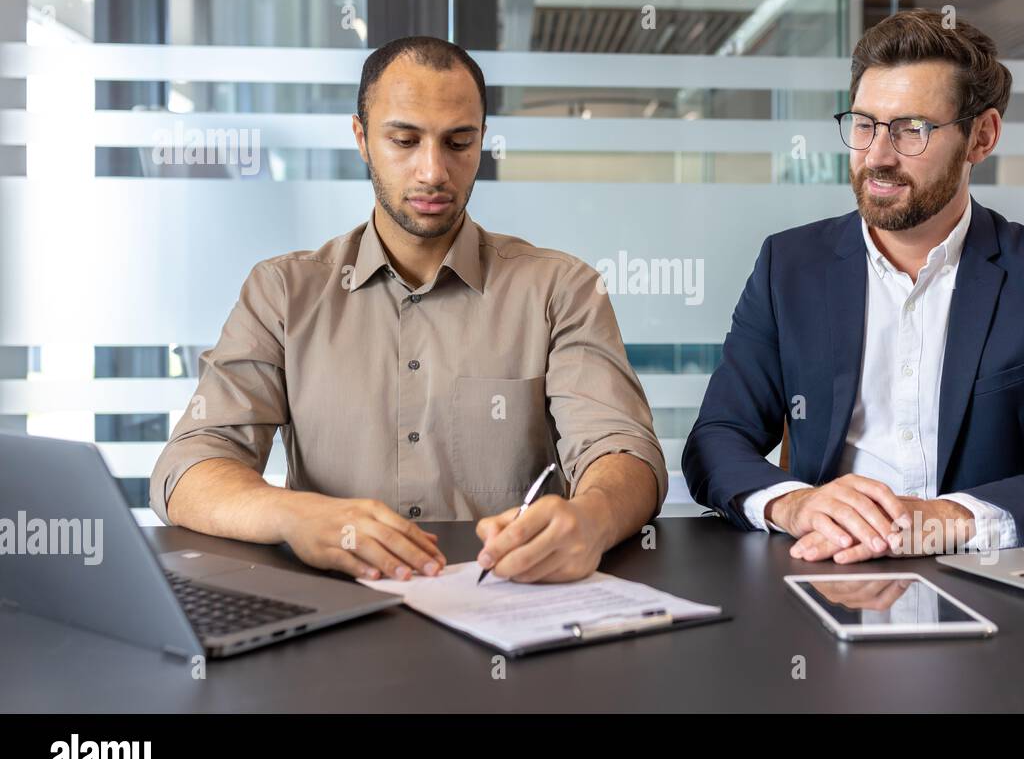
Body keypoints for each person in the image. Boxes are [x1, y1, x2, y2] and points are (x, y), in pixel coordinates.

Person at [150, 36, 666, 584]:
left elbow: (622, 447)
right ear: (362, 138)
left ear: (483, 141)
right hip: (336, 614)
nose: (433, 171)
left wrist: (590, 520)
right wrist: (294, 514)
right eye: (404, 140)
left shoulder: (561, 289)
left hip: (508, 603)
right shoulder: (283, 292)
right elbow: (189, 466)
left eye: (458, 142)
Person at [683, 9, 1024, 563]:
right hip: (830, 570)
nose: (878, 155)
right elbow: (716, 440)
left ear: (982, 136)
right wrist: (796, 504)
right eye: (864, 124)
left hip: (989, 580)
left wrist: (948, 518)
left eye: (911, 130)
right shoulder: (790, 265)